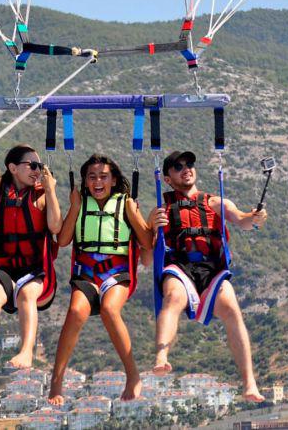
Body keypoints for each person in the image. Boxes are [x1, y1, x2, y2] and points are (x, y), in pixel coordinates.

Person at [149, 150, 268, 403]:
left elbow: (243, 221)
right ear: (168, 178)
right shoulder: (162, 209)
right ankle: (161, 356)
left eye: (189, 164)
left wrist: (255, 218)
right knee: (173, 297)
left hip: (211, 269)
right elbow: (148, 257)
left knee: (232, 309)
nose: (186, 168)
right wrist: (151, 227)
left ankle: (250, 383)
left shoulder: (216, 203)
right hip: (179, 267)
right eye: (178, 166)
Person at [48, 154, 154, 405]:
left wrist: (134, 212)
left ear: (114, 180)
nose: (97, 181)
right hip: (86, 272)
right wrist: (73, 207)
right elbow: (62, 241)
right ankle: (56, 381)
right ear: (84, 181)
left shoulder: (125, 204)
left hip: (117, 272)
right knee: (75, 312)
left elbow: (147, 242)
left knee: (109, 309)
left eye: (103, 176)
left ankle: (132, 375)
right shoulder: (80, 203)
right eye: (92, 177)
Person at [0, 144, 62, 369]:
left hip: (37, 271)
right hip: (6, 268)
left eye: (39, 166)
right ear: (12, 168)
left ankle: (26, 353)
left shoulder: (40, 195)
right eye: (32, 165)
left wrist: (50, 191)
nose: (37, 170)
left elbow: (56, 226)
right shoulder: (0, 194)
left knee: (26, 293)